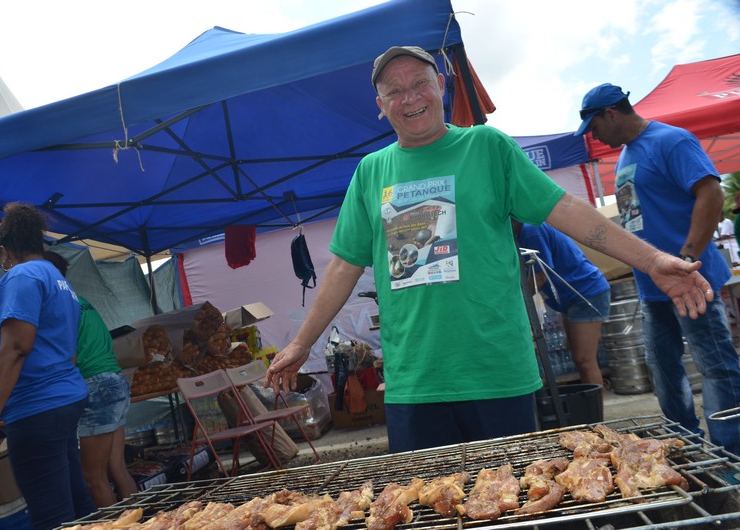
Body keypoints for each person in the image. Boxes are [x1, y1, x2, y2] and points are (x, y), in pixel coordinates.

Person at [265, 46, 712, 453]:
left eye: (420, 82)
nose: (410, 97)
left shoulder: (487, 146)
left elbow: (566, 209)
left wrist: (653, 261)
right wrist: (303, 342)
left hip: (497, 372)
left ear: (441, 85)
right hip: (416, 382)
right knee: (428, 512)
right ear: (381, 108)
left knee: (513, 504)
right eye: (394, 91)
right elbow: (344, 263)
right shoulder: (371, 171)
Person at [575, 82, 740, 456]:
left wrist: (687, 255)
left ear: (611, 114)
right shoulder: (626, 156)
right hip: (653, 288)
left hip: (691, 280)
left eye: (595, 127)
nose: (595, 136)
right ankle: (684, 446)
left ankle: (732, 453)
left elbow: (711, 193)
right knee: (663, 370)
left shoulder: (671, 140)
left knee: (715, 365)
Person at [0, 202, 96, 529]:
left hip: (37, 407)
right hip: (62, 397)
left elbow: (16, 347)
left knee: (52, 516)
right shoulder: (56, 278)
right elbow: (55, 347)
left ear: (5, 250)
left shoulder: (22, 275)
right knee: (76, 504)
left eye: (1, 260)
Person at [45, 250, 138, 507]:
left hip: (95, 385)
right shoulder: (81, 300)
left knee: (93, 478)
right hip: (114, 381)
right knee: (117, 469)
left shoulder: (58, 306)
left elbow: (69, 357)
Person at [513, 221, 610, 387]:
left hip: (585, 292)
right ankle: (590, 406)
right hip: (569, 298)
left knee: (585, 359)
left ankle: (594, 411)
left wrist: (514, 303)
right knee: (579, 359)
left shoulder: (532, 231)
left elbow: (539, 277)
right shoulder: (521, 234)